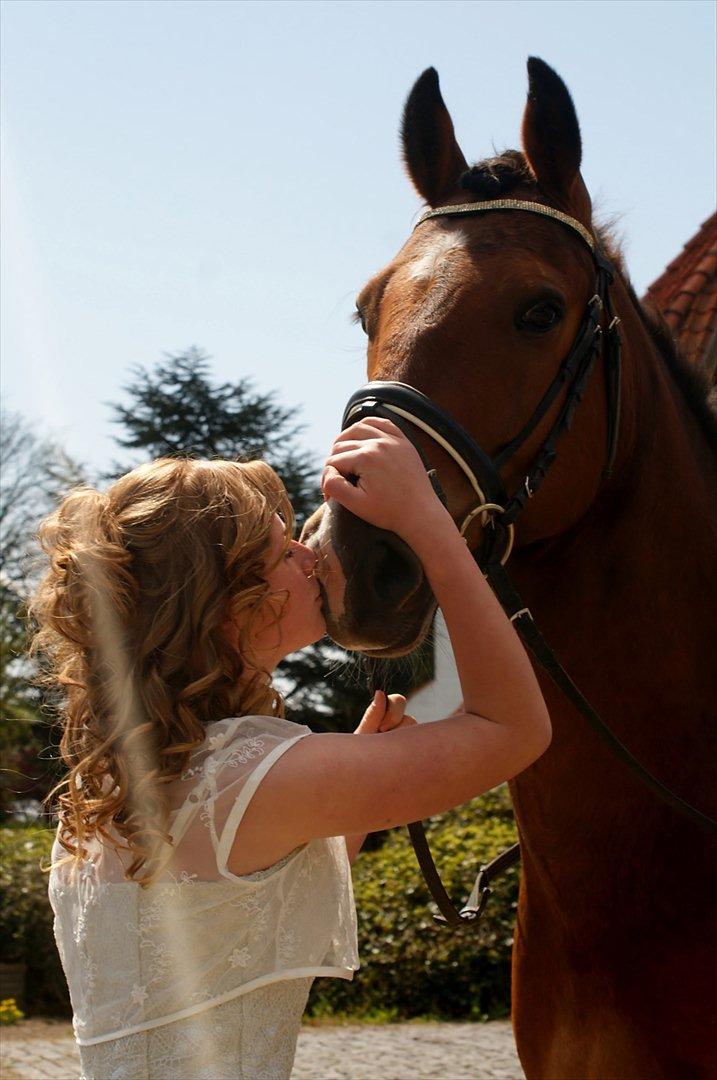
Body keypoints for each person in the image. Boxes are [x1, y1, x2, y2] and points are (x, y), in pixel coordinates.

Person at [33, 419, 551, 1080]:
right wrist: (430, 526)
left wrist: (353, 783)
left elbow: (245, 893)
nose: (311, 557)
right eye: (282, 553)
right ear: (223, 606)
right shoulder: (252, 772)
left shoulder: (114, 786)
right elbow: (513, 728)